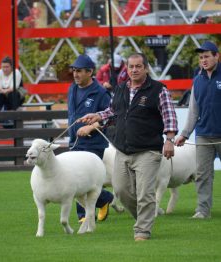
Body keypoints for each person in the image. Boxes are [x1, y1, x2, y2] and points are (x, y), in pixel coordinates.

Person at [79, 53, 178, 241]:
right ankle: (143, 218)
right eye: (131, 67)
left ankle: (142, 231)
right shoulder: (121, 88)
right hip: (123, 150)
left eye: (138, 66)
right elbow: (113, 111)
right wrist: (98, 116)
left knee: (144, 193)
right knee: (121, 191)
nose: (134, 70)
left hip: (148, 151)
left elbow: (169, 116)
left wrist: (169, 140)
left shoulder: (158, 90)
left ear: (146, 68)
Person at [175, 41, 221, 219]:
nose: (204, 60)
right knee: (202, 175)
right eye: (201, 57)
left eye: (207, 56)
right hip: (203, 136)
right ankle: (203, 210)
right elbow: (194, 110)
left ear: (216, 56)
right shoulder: (197, 79)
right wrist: (184, 134)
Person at [68, 54, 114, 223]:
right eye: (74, 70)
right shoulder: (72, 88)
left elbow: (109, 118)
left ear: (90, 72)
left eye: (79, 71)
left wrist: (90, 127)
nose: (75, 74)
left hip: (94, 143)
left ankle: (84, 215)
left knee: (84, 179)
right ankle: (105, 199)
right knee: (76, 178)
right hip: (75, 141)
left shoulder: (101, 93)